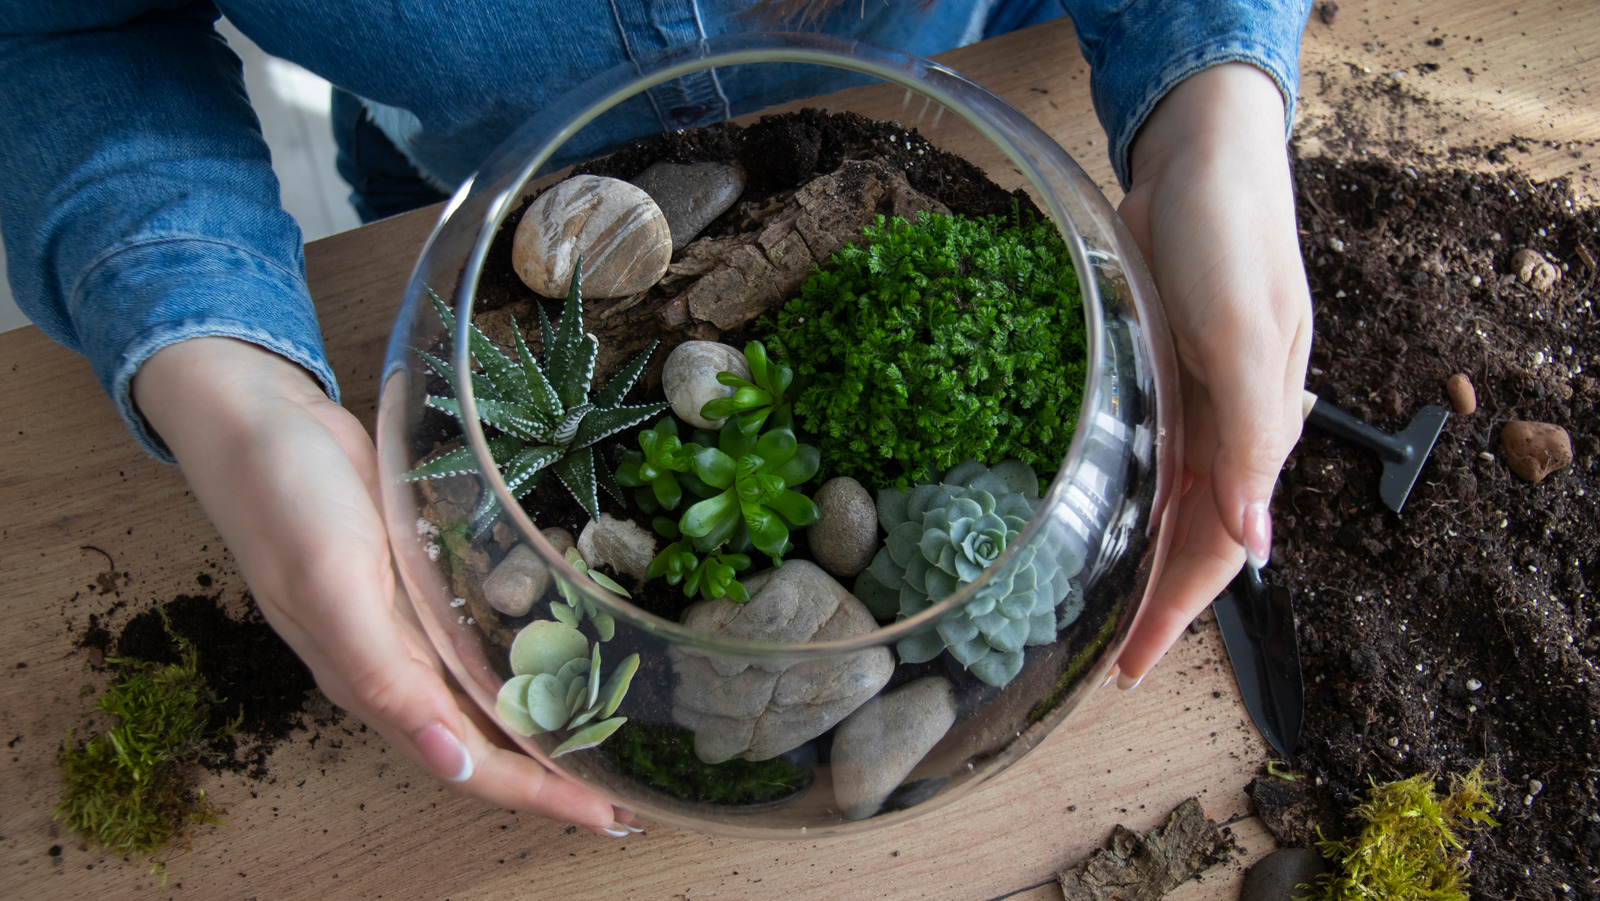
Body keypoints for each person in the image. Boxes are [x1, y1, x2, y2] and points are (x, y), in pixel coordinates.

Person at [0, 0, 1314, 837]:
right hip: (461, 199)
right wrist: (232, 380)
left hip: (997, 72)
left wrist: (1214, 109)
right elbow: (55, 27)